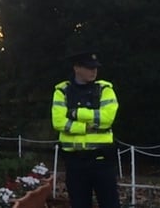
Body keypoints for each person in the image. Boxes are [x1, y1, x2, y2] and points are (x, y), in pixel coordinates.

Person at [51, 52, 120, 208]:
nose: (94, 71)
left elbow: (107, 118)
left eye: (95, 68)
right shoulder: (62, 91)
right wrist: (84, 126)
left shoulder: (104, 89)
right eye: (89, 68)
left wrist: (76, 113)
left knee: (110, 204)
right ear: (76, 68)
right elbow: (59, 122)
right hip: (75, 161)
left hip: (102, 160)